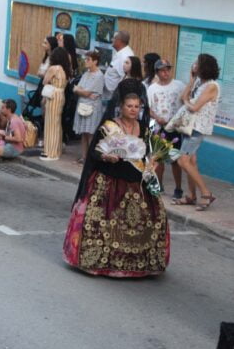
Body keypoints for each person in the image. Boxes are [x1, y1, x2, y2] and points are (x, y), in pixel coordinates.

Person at [63, 79, 170, 278]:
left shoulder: (144, 128)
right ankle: (100, 260)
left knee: (148, 222)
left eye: (137, 106)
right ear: (120, 106)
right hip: (110, 180)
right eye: (129, 106)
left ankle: (138, 263)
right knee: (102, 221)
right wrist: (106, 156)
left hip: (136, 182)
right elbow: (94, 153)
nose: (133, 110)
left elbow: (149, 153)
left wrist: (153, 161)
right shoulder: (109, 126)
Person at [173, 53, 220, 211]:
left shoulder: (212, 86)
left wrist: (187, 103)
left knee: (182, 161)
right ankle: (192, 196)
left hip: (198, 128)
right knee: (191, 161)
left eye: (196, 63)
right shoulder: (200, 82)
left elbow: (194, 107)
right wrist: (192, 80)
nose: (193, 65)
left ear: (204, 67)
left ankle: (206, 193)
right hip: (189, 126)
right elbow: (182, 97)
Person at [147, 59, 185, 200]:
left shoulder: (179, 86)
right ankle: (160, 185)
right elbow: (149, 108)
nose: (166, 73)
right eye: (163, 70)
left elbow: (185, 102)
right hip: (158, 128)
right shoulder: (152, 89)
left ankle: (178, 188)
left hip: (174, 128)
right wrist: (157, 118)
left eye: (168, 69)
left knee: (175, 160)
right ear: (157, 72)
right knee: (159, 159)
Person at [72, 50, 104, 163]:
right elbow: (78, 89)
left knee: (91, 134)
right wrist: (81, 91)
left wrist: (80, 90)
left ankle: (91, 159)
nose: (86, 61)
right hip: (83, 105)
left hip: (92, 108)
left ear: (95, 61)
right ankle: (84, 157)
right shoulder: (86, 73)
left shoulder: (99, 76)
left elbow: (85, 92)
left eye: (88, 59)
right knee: (84, 133)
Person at [40, 47, 70, 160]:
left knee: (50, 125)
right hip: (61, 95)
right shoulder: (65, 69)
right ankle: (57, 151)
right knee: (57, 124)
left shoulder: (53, 68)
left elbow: (44, 81)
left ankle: (50, 152)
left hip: (53, 96)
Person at [104, 30, 134, 100]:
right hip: (108, 96)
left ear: (119, 41)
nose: (112, 40)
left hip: (113, 98)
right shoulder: (121, 53)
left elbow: (124, 78)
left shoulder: (125, 56)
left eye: (114, 38)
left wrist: (116, 97)